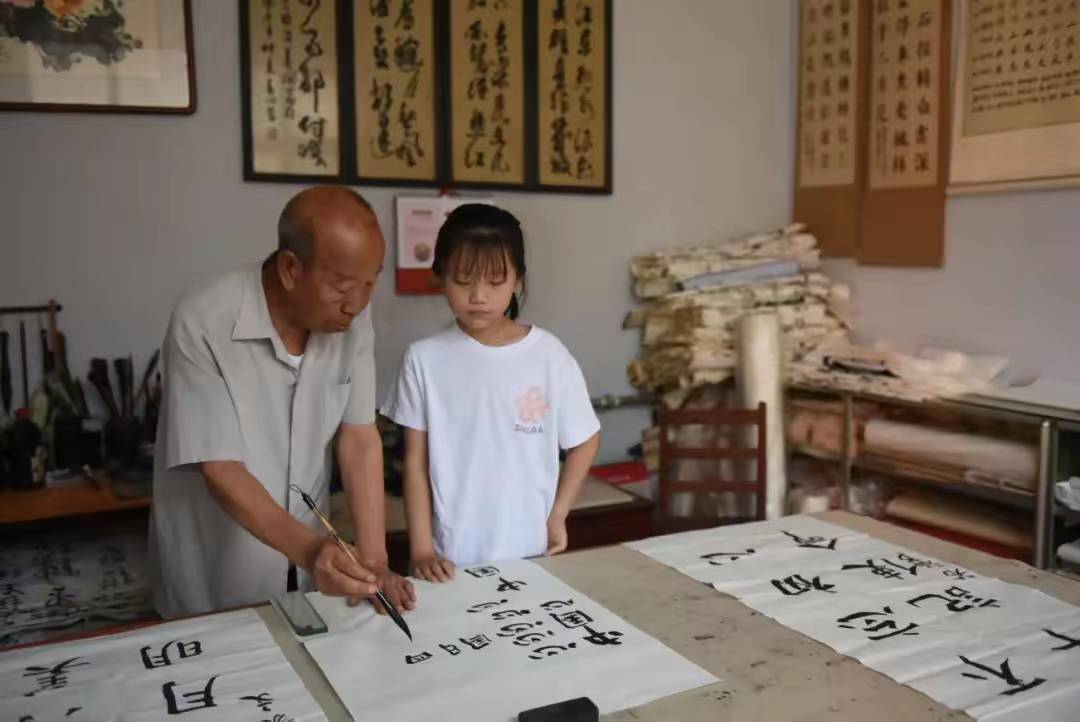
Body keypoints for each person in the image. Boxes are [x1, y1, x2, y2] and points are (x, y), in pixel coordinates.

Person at [149, 186, 415, 617]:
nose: (358, 304)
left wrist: (375, 562)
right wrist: (313, 551)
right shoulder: (204, 319)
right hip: (219, 572)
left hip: (311, 575)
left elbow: (359, 439)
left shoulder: (354, 319)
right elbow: (221, 469)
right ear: (291, 269)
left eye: (371, 283)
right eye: (344, 286)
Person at [381, 204, 601, 581]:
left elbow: (585, 440)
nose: (478, 296)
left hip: (532, 553)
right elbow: (415, 463)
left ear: (517, 281)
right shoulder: (424, 359)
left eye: (495, 281)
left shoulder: (549, 355)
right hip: (451, 558)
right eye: (464, 280)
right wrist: (420, 550)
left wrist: (558, 515)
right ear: (440, 278)